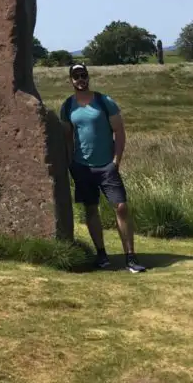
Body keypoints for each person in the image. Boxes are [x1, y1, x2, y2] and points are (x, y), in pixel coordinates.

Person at [60, 62, 146, 273]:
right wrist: (70, 162)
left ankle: (130, 257)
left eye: (83, 75)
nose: (80, 79)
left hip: (107, 165)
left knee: (121, 207)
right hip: (81, 167)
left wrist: (116, 161)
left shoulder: (104, 101)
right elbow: (67, 137)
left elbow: (119, 131)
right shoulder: (68, 106)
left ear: (88, 77)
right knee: (91, 209)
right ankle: (101, 254)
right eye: (76, 76)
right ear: (71, 80)